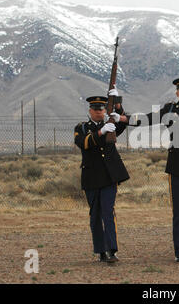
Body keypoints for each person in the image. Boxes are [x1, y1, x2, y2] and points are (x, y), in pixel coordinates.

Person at [128, 77, 179, 263]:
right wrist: (125, 118)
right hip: (178, 168)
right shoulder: (170, 110)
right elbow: (148, 119)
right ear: (177, 92)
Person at [74, 89, 130, 264]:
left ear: (106, 110)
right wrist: (100, 132)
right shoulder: (82, 127)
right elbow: (83, 143)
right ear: (90, 110)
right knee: (95, 214)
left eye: (102, 108)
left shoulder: (111, 125)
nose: (99, 111)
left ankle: (111, 250)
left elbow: (124, 121)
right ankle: (100, 251)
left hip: (109, 176)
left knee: (108, 211)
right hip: (91, 176)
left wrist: (118, 105)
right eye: (95, 108)